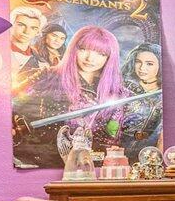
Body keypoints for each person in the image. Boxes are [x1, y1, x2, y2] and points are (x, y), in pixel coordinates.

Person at [13, 26, 130, 164]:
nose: (90, 58)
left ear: (109, 57)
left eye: (101, 53)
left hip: (89, 166)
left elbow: (111, 137)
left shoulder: (117, 93)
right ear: (73, 49)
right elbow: (11, 103)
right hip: (38, 161)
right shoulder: (46, 77)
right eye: (83, 49)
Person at [119, 41, 163, 155]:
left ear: (160, 65)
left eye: (149, 64)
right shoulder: (123, 85)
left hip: (146, 154)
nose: (142, 68)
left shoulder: (163, 94)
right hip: (115, 150)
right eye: (138, 62)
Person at [8, 6, 46, 71]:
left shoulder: (39, 59)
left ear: (38, 32)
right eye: (21, 25)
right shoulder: (1, 50)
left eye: (33, 28)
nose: (26, 32)